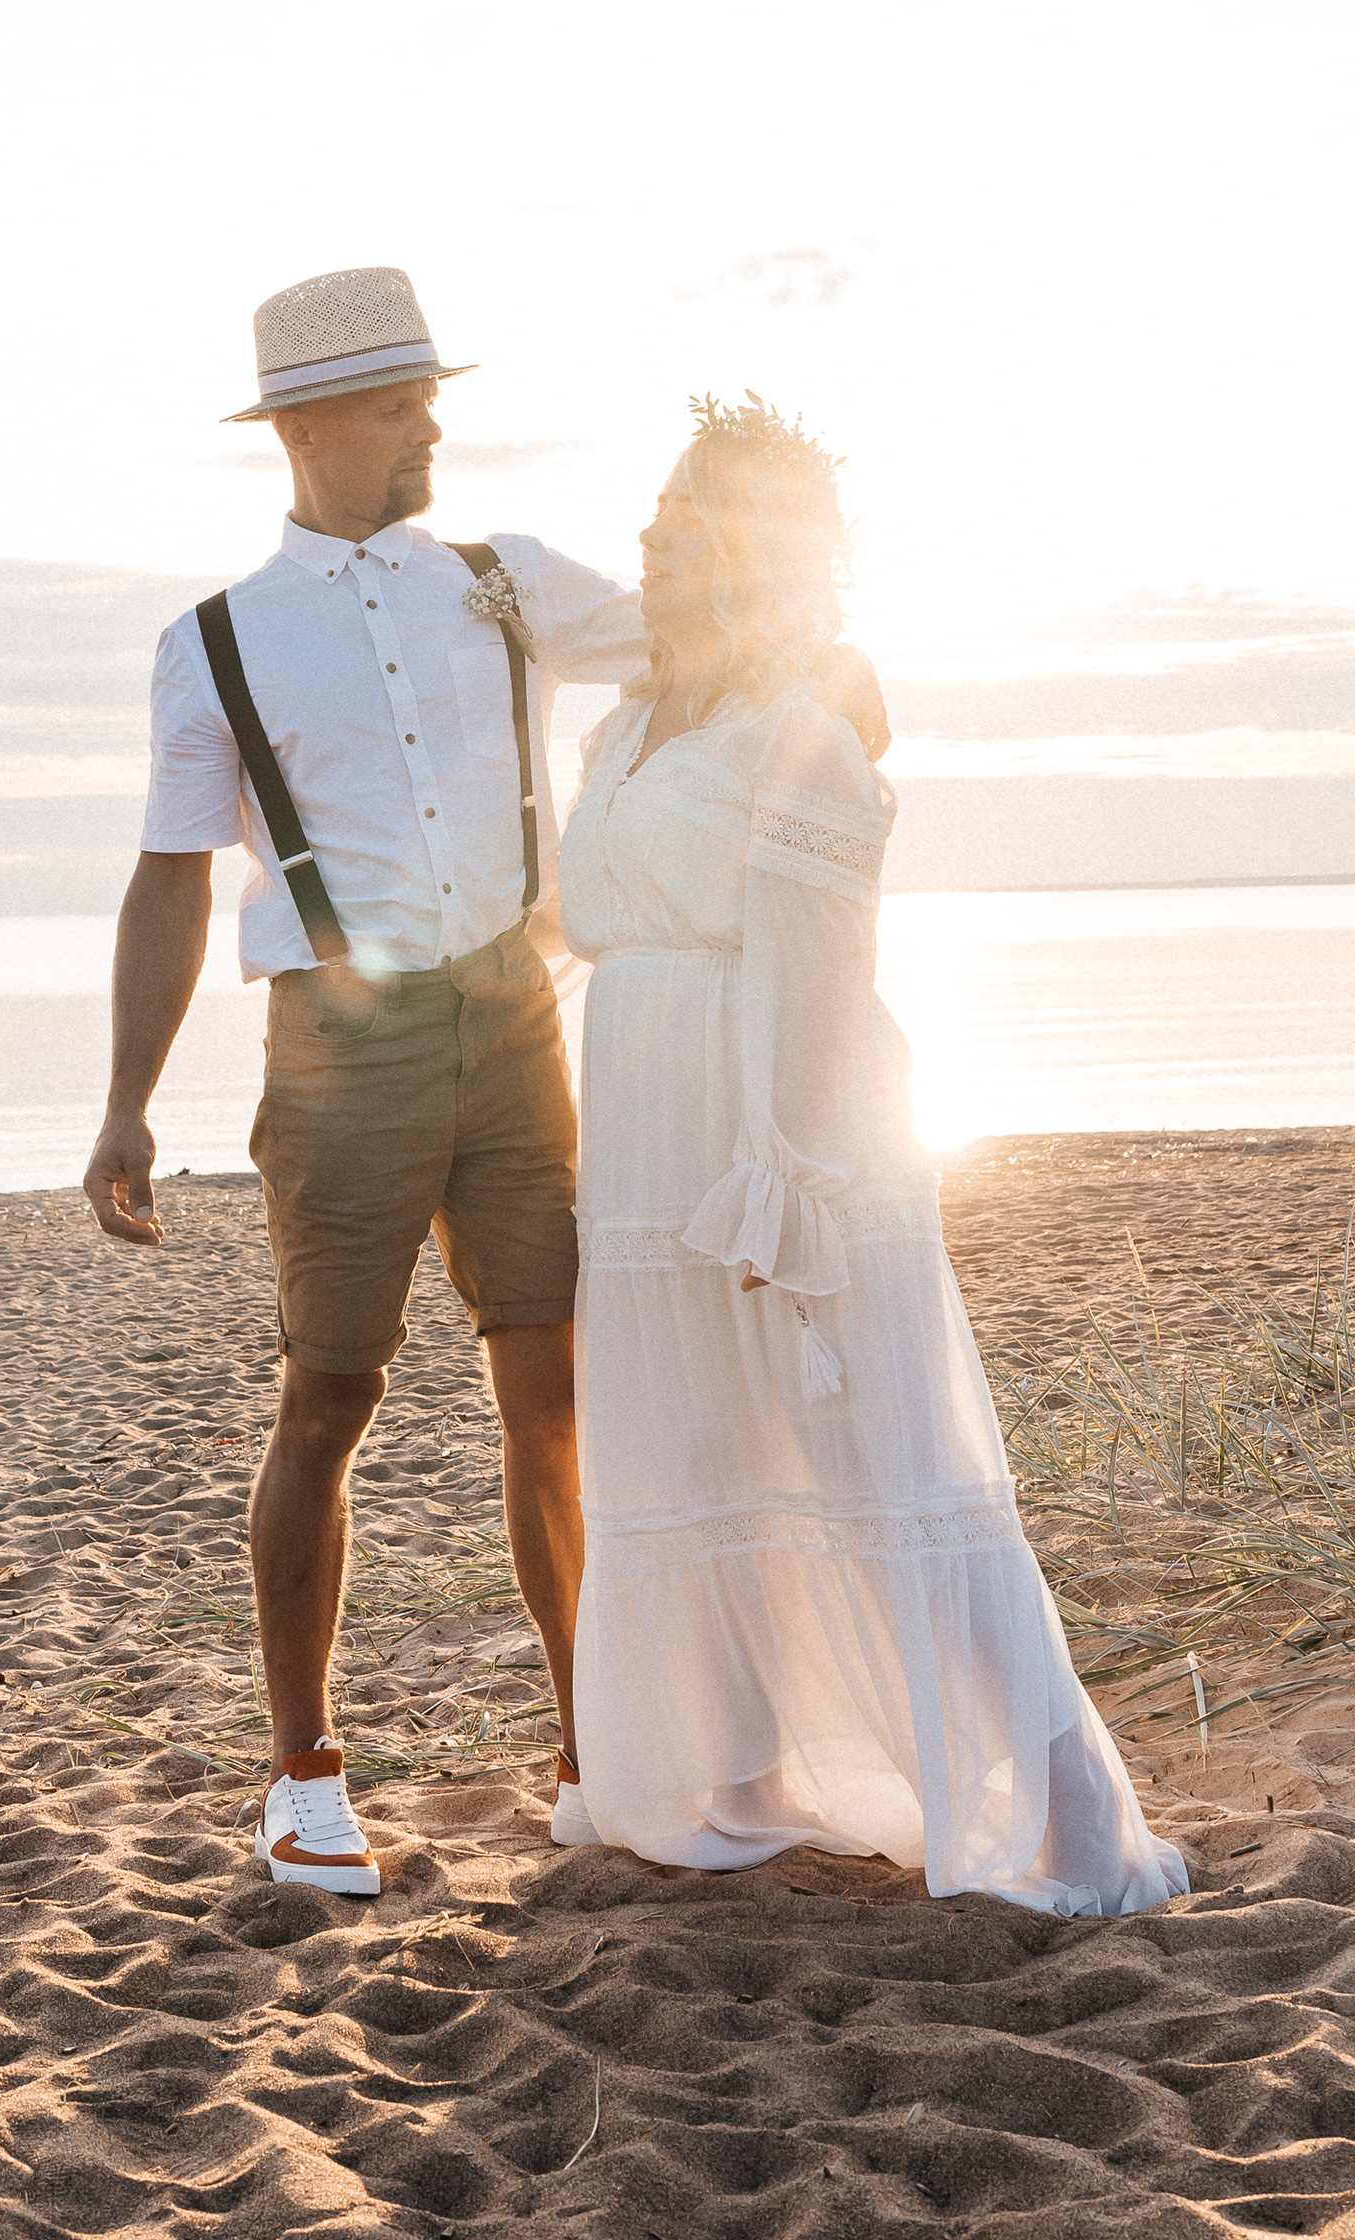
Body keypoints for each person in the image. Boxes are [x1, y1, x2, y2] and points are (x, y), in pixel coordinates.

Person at [82, 268, 883, 1901]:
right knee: (330, 1399)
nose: (431, 423)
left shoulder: (507, 581)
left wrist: (842, 688)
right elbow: (170, 878)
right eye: (398, 403)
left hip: (518, 1032)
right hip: (336, 1051)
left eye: (428, 395)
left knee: (559, 1400)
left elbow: (709, 637)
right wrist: (124, 1102)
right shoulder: (214, 644)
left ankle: (597, 1748)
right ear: (309, 426)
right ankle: (302, 1773)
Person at [557, 394, 1187, 1916]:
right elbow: (581, 909)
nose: (641, 545)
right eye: (645, 518)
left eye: (673, 525)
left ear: (742, 556)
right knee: (702, 1456)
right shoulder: (629, 725)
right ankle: (742, 1776)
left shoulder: (805, 734)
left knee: (886, 1471)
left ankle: (1078, 1825)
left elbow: (824, 975)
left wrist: (784, 1171)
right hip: (643, 1150)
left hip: (783, 1152)